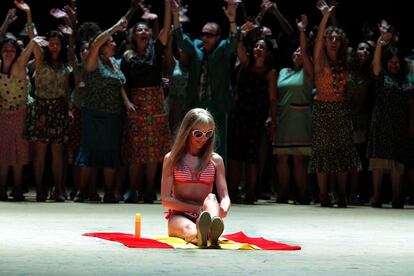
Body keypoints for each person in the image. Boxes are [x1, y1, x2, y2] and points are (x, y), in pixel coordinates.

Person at [171, 0, 239, 161]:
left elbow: (233, 41)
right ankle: (195, 183)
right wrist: (175, 15)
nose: (204, 37)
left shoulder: (222, 48)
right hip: (197, 104)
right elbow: (180, 38)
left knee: (218, 147)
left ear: (217, 37)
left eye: (209, 35)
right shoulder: (196, 47)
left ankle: (216, 184)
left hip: (217, 104)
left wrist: (232, 19)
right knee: (194, 146)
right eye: (203, 34)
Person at [309, 0, 361, 207]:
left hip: (341, 110)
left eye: (337, 39)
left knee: (342, 153)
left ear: (341, 44)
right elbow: (319, 41)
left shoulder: (345, 62)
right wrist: (325, 17)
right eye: (330, 38)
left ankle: (341, 194)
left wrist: (333, 19)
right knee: (323, 153)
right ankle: (323, 195)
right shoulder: (321, 60)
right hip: (322, 109)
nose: (333, 41)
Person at [120, 0, 172, 203]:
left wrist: (167, 5)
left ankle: (149, 189)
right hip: (136, 103)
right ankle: (133, 189)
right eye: (139, 30)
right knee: (136, 150)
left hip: (155, 104)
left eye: (146, 30)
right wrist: (127, 103)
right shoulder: (127, 55)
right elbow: (122, 84)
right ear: (133, 36)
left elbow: (166, 29)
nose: (143, 32)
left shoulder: (156, 51)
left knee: (153, 152)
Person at [74, 17, 129, 203]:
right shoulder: (92, 61)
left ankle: (108, 192)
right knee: (90, 151)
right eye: (111, 42)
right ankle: (82, 191)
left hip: (113, 115)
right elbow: (97, 41)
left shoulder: (113, 62)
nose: (114, 43)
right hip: (94, 113)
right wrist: (115, 27)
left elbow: (120, 85)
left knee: (110, 153)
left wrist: (126, 103)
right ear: (102, 46)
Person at [161, 108, 231, 247]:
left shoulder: (216, 160)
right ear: (187, 131)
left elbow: (224, 196)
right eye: (198, 133)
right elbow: (166, 200)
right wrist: (196, 209)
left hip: (208, 212)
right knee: (190, 230)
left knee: (211, 198)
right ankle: (205, 234)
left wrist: (224, 207)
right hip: (179, 215)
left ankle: (210, 227)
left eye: (208, 134)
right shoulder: (172, 159)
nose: (204, 138)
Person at [367, 27, 413, 208]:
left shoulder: (406, 81)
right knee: (378, 163)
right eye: (391, 62)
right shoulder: (381, 76)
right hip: (381, 124)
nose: (394, 65)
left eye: (397, 62)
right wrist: (380, 43)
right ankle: (377, 197)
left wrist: (411, 125)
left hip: (400, 125)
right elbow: (376, 63)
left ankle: (396, 198)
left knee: (397, 164)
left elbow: (411, 106)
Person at [273, 14, 313, 204]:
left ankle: (302, 195)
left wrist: (302, 31)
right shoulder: (283, 72)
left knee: (298, 159)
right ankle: (282, 195)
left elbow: (305, 52)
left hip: (300, 120)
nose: (298, 54)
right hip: (284, 118)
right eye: (295, 52)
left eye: (301, 52)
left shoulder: (307, 72)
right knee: (281, 159)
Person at [0, 36, 40, 201]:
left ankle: (17, 187)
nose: (9, 53)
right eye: (5, 50)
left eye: (12, 50)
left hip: (19, 114)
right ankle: (1, 187)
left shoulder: (19, 65)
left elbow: (29, 48)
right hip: (2, 115)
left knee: (18, 152)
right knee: (2, 153)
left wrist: (29, 17)